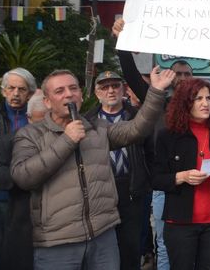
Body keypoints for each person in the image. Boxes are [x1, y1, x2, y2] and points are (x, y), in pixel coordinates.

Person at [10, 67, 173, 269]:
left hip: (102, 236)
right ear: (46, 101)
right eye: (60, 91)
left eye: (73, 88)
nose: (69, 94)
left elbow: (136, 129)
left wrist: (155, 91)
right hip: (58, 242)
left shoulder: (97, 128)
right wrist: (67, 140)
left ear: (81, 94)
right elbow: (24, 177)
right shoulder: (30, 134)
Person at [113, 17, 210, 270]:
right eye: (178, 74)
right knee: (165, 248)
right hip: (169, 193)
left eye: (187, 74)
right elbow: (132, 77)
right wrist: (122, 43)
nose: (182, 78)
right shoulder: (158, 102)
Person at [151, 77, 210, 270]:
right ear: (185, 103)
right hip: (181, 222)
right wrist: (182, 177)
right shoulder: (167, 136)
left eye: (208, 98)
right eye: (198, 99)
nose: (205, 103)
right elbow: (156, 179)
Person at [83, 70, 156, 270]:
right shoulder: (87, 121)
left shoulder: (137, 117)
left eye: (115, 85)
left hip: (131, 188)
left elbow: (150, 152)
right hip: (101, 189)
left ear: (123, 89)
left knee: (131, 247)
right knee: (102, 247)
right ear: (96, 92)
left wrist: (147, 181)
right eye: (104, 87)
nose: (111, 91)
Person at [0, 67, 36, 270]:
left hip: (27, 199)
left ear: (30, 93)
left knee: (22, 256)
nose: (16, 93)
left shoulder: (37, 118)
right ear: (4, 90)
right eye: (11, 88)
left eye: (21, 89)